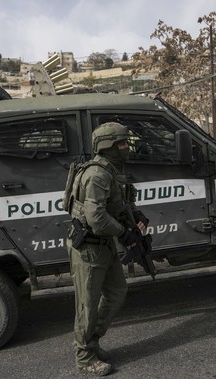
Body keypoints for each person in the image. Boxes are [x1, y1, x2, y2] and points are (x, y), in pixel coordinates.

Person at [65, 122, 148, 376]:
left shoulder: (111, 170)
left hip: (104, 245)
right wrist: (123, 233)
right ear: (108, 146)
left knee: (117, 292)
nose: (126, 148)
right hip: (89, 248)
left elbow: (117, 204)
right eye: (122, 144)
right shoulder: (97, 175)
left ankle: (91, 340)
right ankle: (84, 357)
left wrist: (136, 216)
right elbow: (96, 218)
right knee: (87, 305)